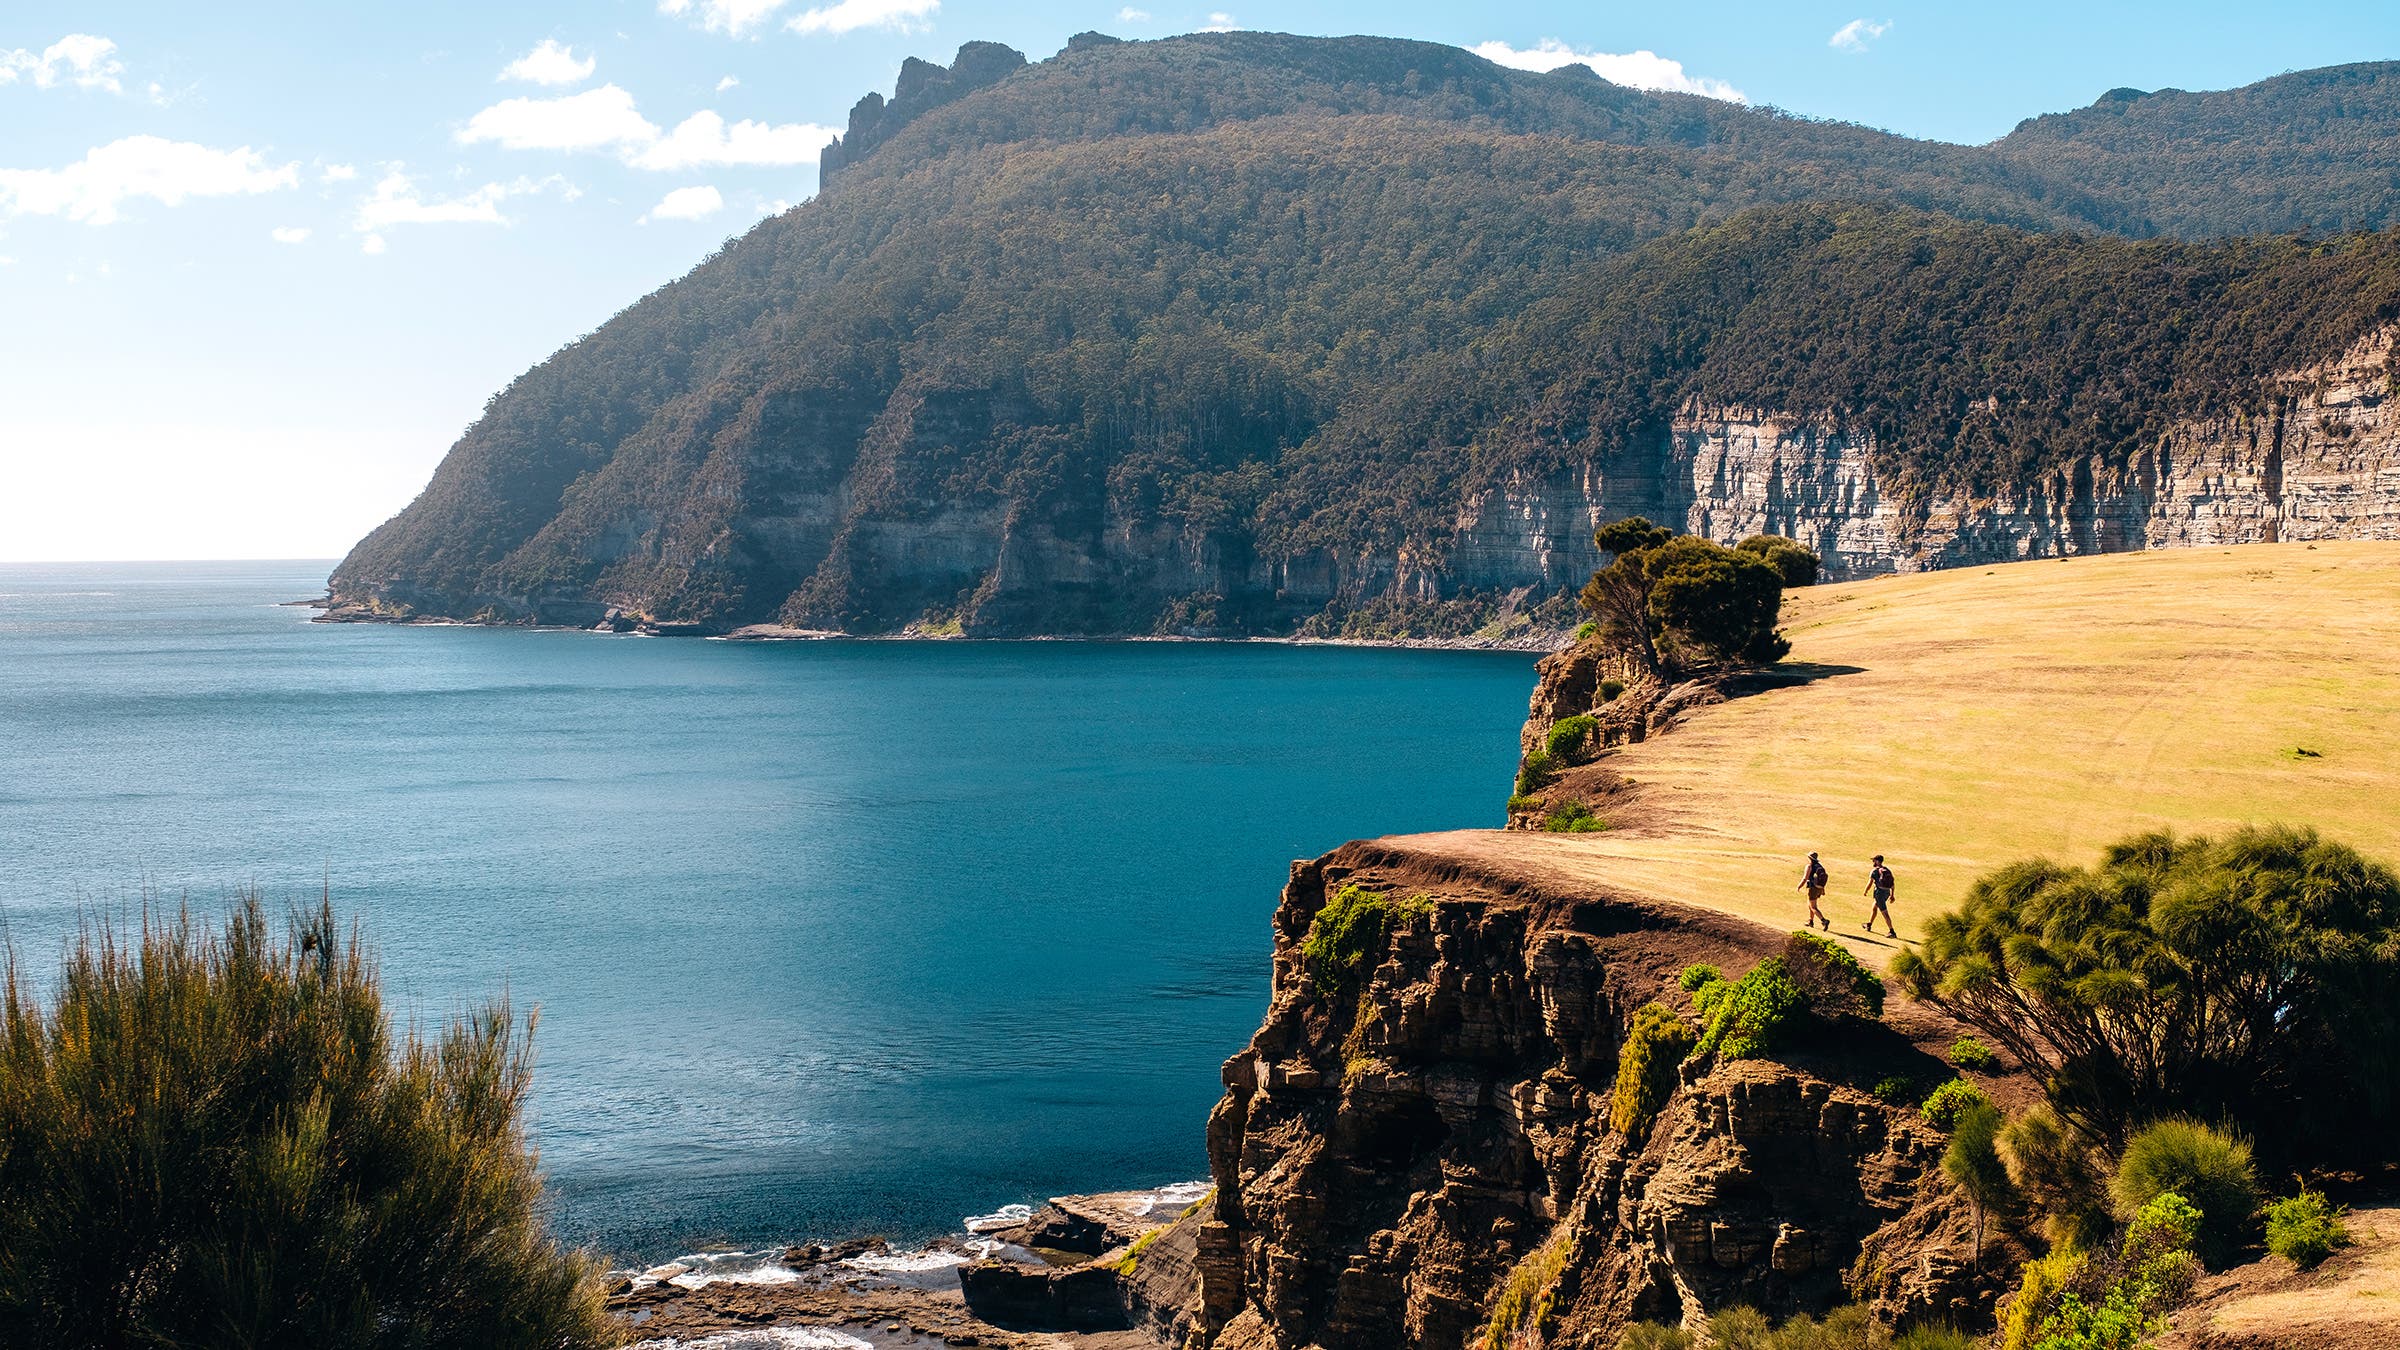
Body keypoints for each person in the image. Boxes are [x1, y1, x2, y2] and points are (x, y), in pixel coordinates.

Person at [1863, 855, 1898, 937]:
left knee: (1884, 912)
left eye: (1874, 861)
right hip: (1886, 892)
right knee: (1874, 907)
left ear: (1877, 861)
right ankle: (1869, 924)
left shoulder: (1874, 871)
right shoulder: (1887, 870)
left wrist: (1865, 891)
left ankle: (1892, 931)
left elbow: (1870, 883)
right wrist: (1892, 895)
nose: (1873, 862)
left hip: (1879, 893)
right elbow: (1892, 884)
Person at [1797, 851, 1831, 931]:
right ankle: (1810, 921)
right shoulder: (1819, 866)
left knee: (1813, 907)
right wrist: (1822, 890)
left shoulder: (1809, 866)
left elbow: (1805, 878)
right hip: (1819, 888)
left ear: (1809, 858)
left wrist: (1799, 886)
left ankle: (1824, 920)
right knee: (1810, 905)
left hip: (1813, 888)